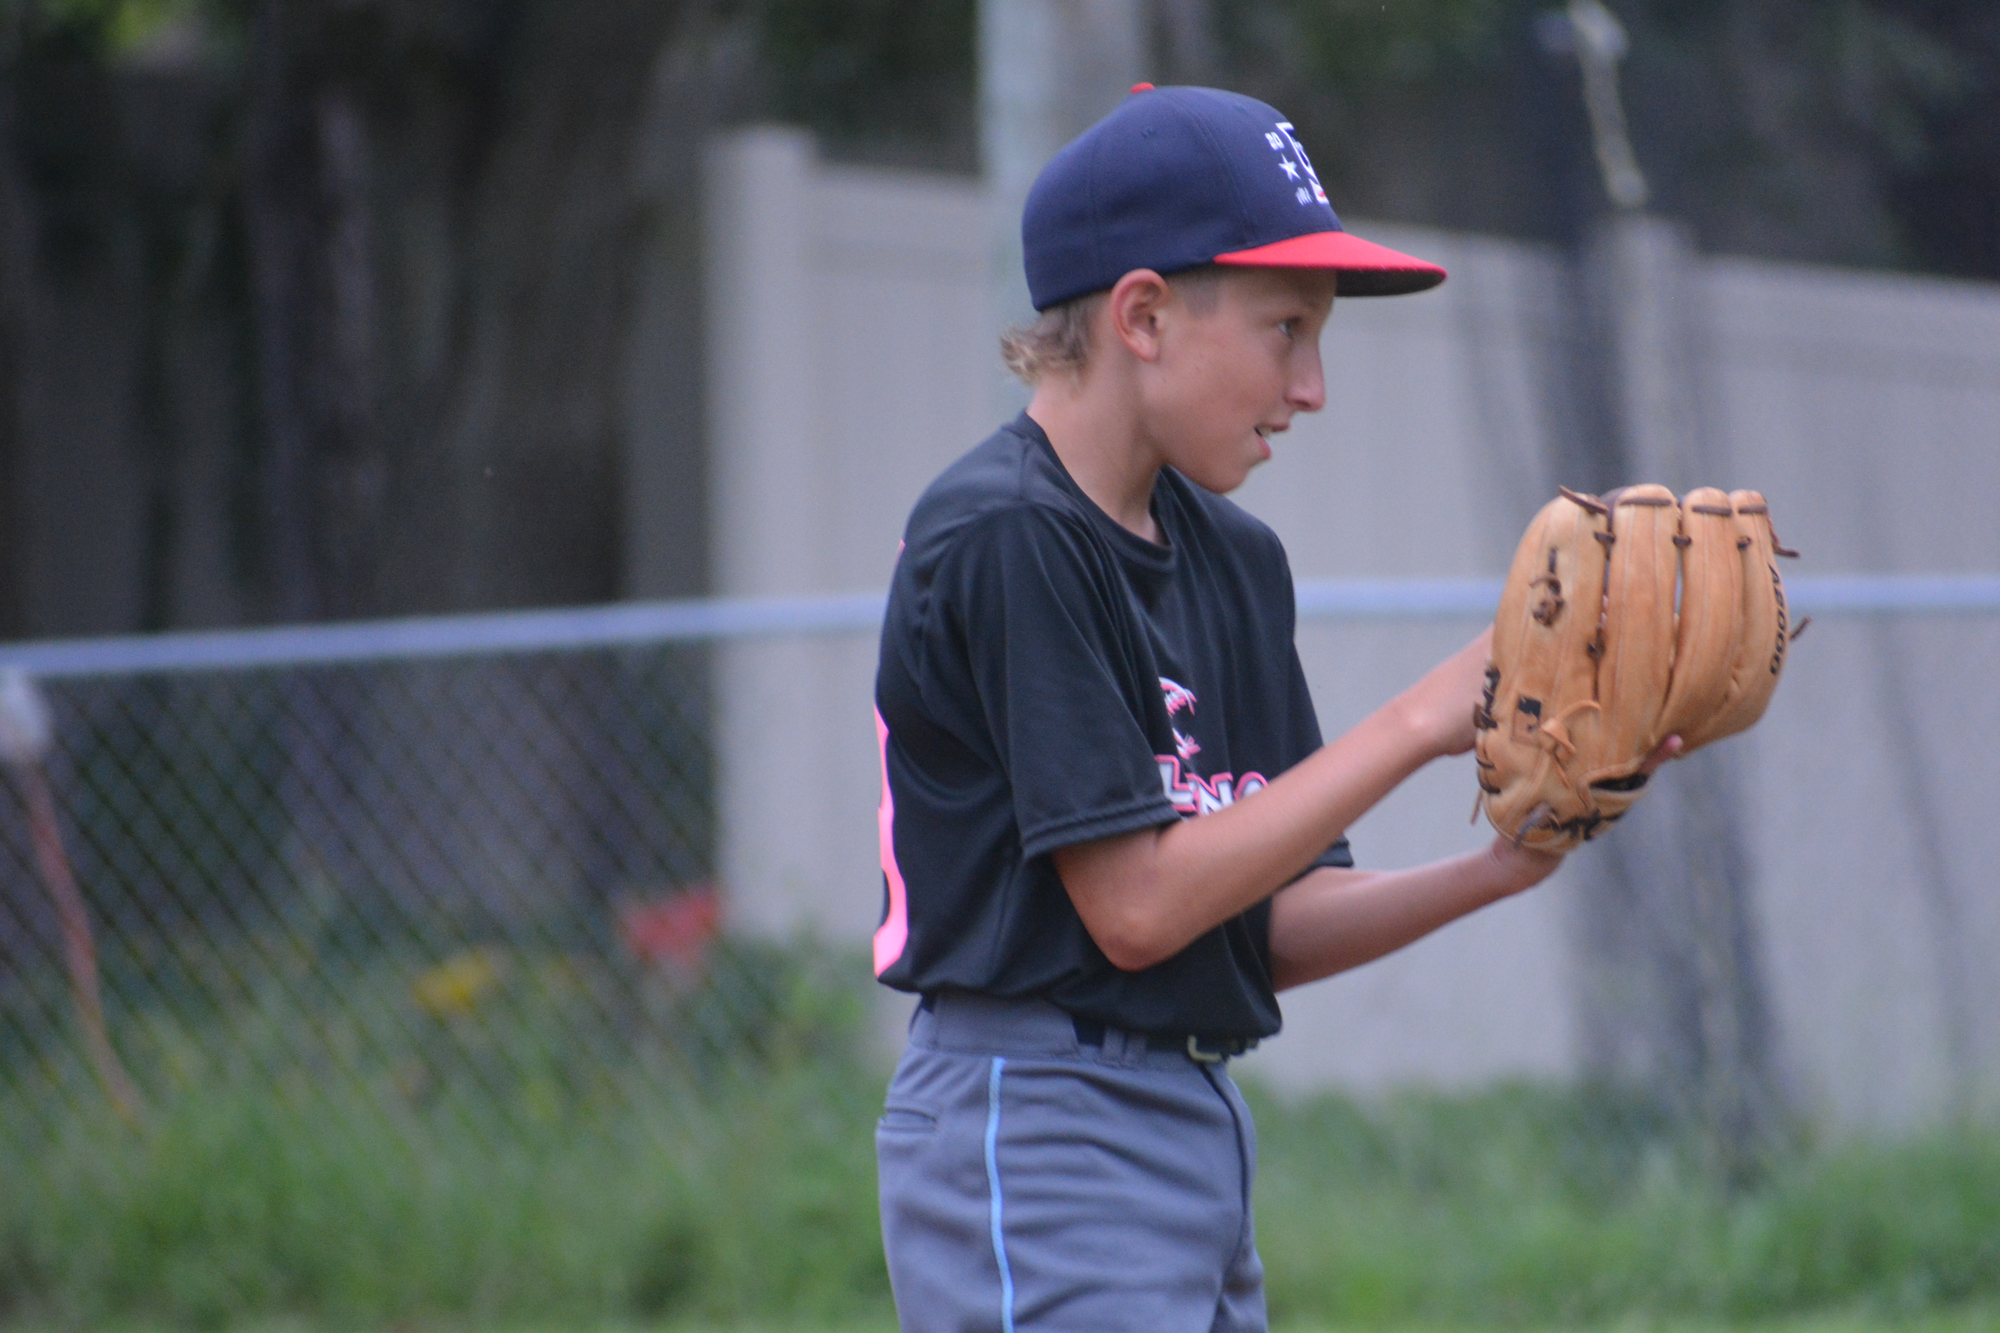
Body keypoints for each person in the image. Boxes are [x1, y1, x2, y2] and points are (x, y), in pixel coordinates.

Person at [869, 84, 1671, 1333]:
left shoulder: (1231, 560)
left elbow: (1265, 922)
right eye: (1284, 328)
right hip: (1030, 1120)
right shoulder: (1009, 534)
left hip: (1190, 1121)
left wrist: (1502, 869)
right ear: (1141, 314)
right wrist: (1414, 722)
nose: (1310, 385)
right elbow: (1135, 910)